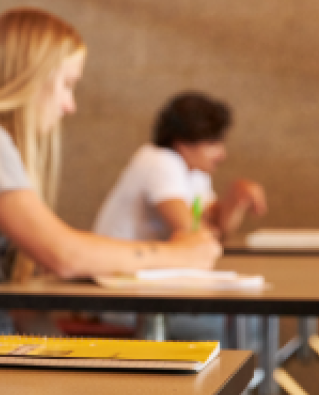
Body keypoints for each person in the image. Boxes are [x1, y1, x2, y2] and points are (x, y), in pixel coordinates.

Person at [0, 7, 222, 340]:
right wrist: (179, 255)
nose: (70, 106)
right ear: (31, 79)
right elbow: (63, 254)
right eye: (67, 84)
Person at [92, 91, 267, 341]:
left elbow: (217, 231)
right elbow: (193, 235)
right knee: (235, 325)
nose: (222, 154)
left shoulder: (194, 171)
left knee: (248, 320)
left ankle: (242, 380)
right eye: (212, 144)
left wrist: (234, 201)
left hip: (152, 291)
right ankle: (240, 381)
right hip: (120, 298)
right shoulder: (160, 161)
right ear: (183, 143)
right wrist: (211, 228)